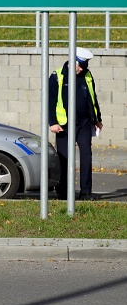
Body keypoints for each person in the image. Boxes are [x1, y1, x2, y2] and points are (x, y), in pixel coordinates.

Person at [48, 47, 103, 200]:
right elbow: (50, 101)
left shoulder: (87, 75)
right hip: (64, 125)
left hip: (84, 123)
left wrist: (97, 118)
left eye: (83, 66)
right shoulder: (57, 76)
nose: (80, 69)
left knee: (86, 156)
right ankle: (63, 193)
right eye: (78, 65)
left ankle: (86, 192)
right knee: (64, 158)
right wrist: (52, 122)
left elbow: (92, 98)